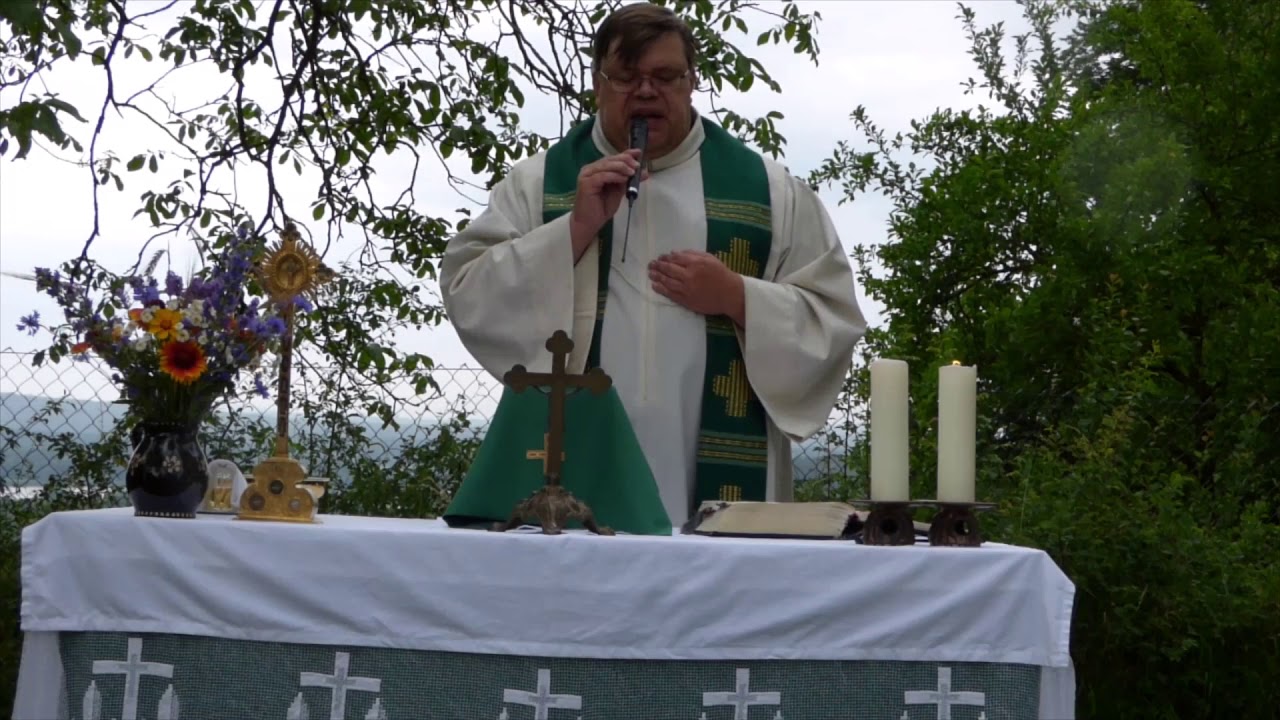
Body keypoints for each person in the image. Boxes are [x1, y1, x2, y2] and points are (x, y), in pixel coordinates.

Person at [439, 2, 866, 528]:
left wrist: (737, 297)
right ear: (599, 83)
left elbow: (834, 317)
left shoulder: (771, 192)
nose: (646, 92)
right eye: (626, 77)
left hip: (707, 470)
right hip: (578, 468)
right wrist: (573, 229)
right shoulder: (538, 183)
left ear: (691, 83)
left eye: (665, 76)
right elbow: (468, 292)